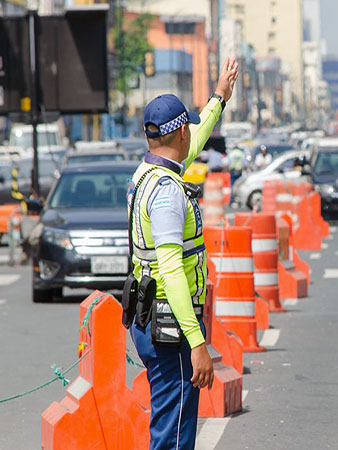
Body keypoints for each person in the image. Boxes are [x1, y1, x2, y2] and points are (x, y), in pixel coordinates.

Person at [127, 57, 239, 450]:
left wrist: (219, 98)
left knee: (168, 426)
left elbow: (196, 136)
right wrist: (197, 344)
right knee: (174, 437)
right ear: (180, 136)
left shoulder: (149, 174)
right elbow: (172, 270)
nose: (194, 134)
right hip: (170, 328)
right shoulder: (168, 194)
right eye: (189, 129)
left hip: (149, 320)